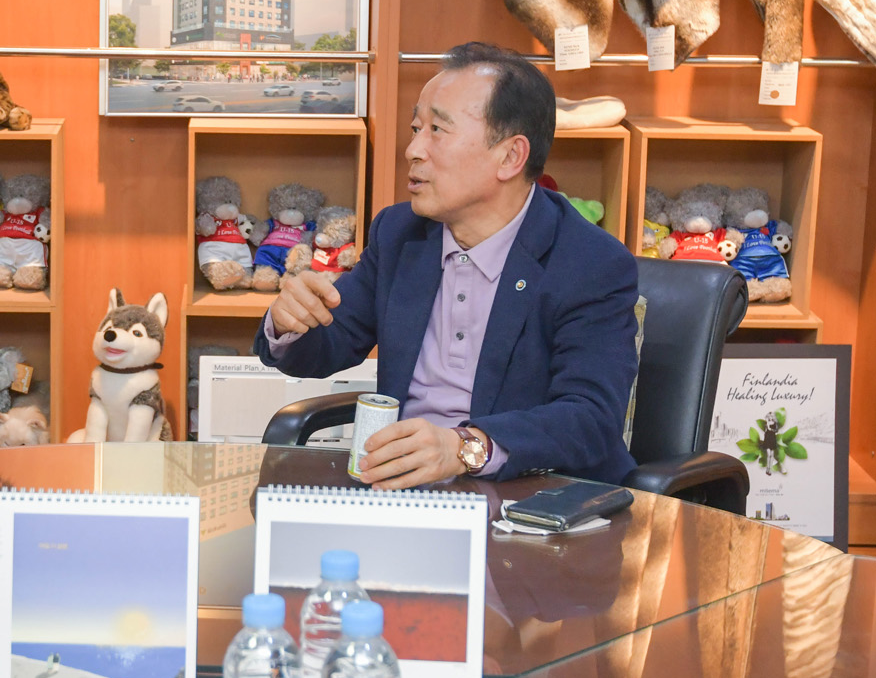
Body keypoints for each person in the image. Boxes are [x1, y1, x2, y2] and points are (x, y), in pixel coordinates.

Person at [257, 42, 638, 489]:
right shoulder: (400, 233)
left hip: (530, 497)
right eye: (416, 127)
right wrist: (289, 323)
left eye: (437, 129)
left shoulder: (590, 262)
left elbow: (590, 418)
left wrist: (463, 448)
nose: (413, 150)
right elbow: (331, 344)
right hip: (405, 490)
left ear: (511, 157)